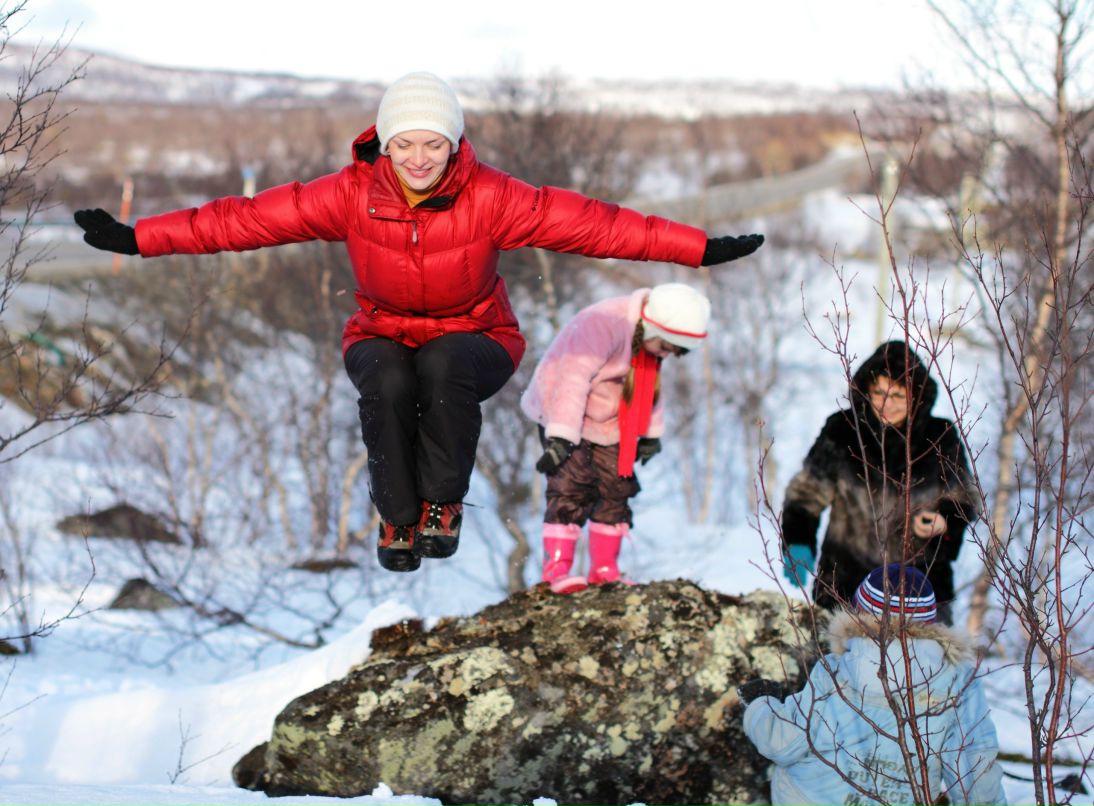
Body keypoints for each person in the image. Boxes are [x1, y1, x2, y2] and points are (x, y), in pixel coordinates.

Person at [73, 72, 764, 574]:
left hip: (479, 336)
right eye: (406, 146)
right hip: (382, 329)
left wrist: (697, 248)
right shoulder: (351, 192)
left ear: (454, 143)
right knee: (386, 376)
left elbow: (596, 225)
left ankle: (443, 506)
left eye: (433, 145)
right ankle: (397, 517)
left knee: (440, 367)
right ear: (385, 143)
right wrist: (139, 239)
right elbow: (245, 220)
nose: (419, 160)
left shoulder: (491, 195)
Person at [738, 564, 1007, 806]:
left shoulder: (835, 669)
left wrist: (762, 703)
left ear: (859, 615)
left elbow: (781, 742)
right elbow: (975, 777)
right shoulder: (959, 681)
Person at [520, 283, 709, 593]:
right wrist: (563, 436)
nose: (667, 355)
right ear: (654, 328)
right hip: (563, 409)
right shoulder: (604, 323)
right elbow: (571, 379)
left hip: (610, 417)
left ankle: (604, 569)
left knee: (615, 488)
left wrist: (650, 433)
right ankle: (556, 572)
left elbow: (649, 384)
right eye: (667, 346)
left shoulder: (648, 340)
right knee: (572, 485)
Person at [779, 340, 978, 622]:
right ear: (866, 392)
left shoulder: (940, 437)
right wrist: (798, 542)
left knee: (924, 665)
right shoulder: (842, 430)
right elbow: (805, 494)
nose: (887, 404)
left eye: (898, 395)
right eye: (879, 392)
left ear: (916, 396)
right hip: (846, 582)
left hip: (921, 587)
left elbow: (964, 499)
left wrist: (944, 521)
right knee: (837, 664)